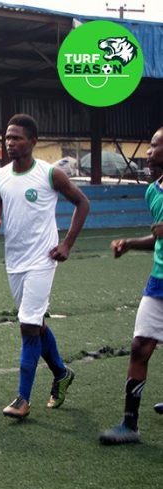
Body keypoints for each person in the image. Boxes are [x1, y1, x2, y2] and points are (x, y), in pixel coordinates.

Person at [0, 114, 90, 419]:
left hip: (44, 259)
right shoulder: (0, 176)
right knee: (35, 324)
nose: (10, 143)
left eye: (17, 138)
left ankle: (22, 399)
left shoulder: (50, 174)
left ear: (33, 141)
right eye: (7, 137)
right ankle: (61, 373)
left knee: (28, 326)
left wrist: (67, 243)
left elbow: (82, 203)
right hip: (14, 262)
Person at [100, 127, 163, 445]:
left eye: (154, 145)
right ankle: (130, 424)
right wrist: (129, 244)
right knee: (140, 346)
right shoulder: (153, 191)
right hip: (159, 282)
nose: (148, 152)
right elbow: (158, 238)